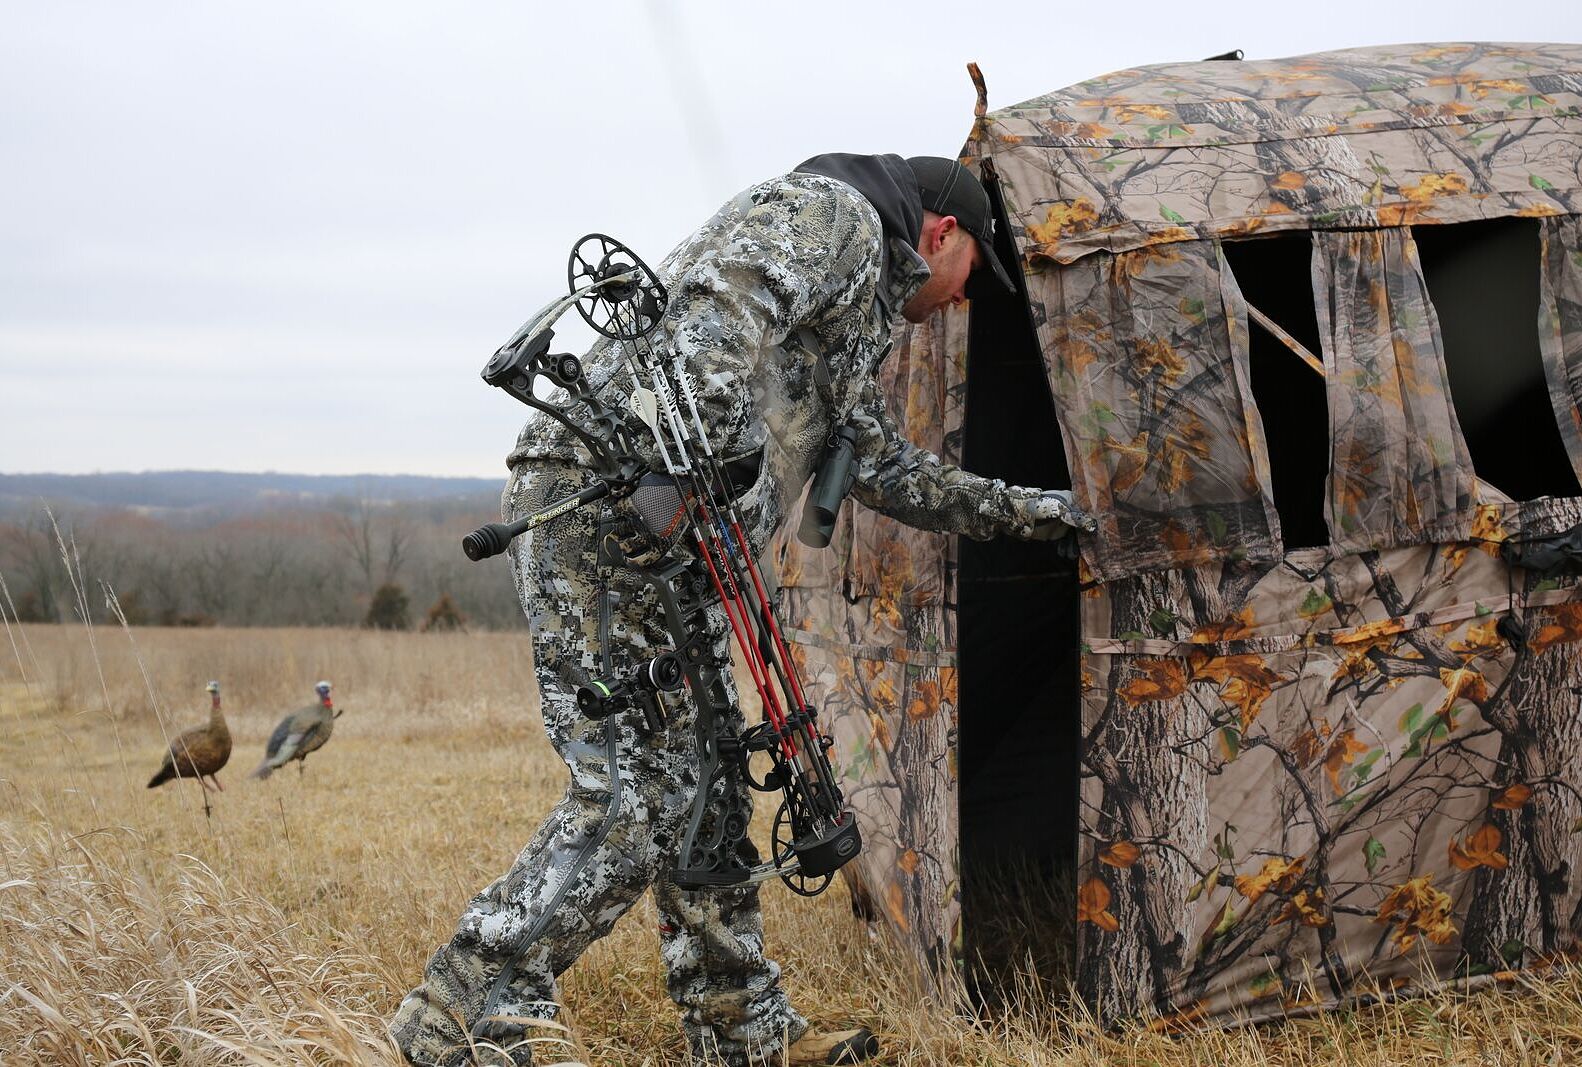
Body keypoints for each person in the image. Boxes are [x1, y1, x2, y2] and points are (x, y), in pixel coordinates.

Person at [390, 153, 1090, 1067]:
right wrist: (712, 480)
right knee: (634, 799)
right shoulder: (835, 216)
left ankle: (741, 1033)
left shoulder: (861, 309)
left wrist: (1042, 516)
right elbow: (713, 318)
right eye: (973, 278)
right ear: (942, 235)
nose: (963, 299)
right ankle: (457, 1011)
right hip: (607, 518)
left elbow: (881, 465)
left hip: (677, 557)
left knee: (713, 781)